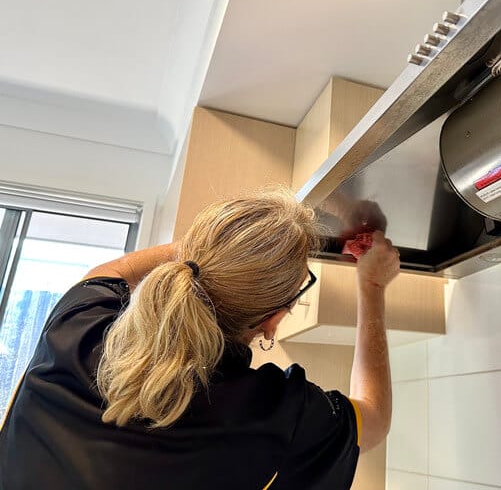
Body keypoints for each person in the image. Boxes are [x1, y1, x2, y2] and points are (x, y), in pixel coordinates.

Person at [0, 189, 400, 489]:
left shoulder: (77, 324)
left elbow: (112, 269)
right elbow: (375, 419)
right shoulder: (279, 415)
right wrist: (373, 285)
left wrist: (224, 250)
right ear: (273, 321)